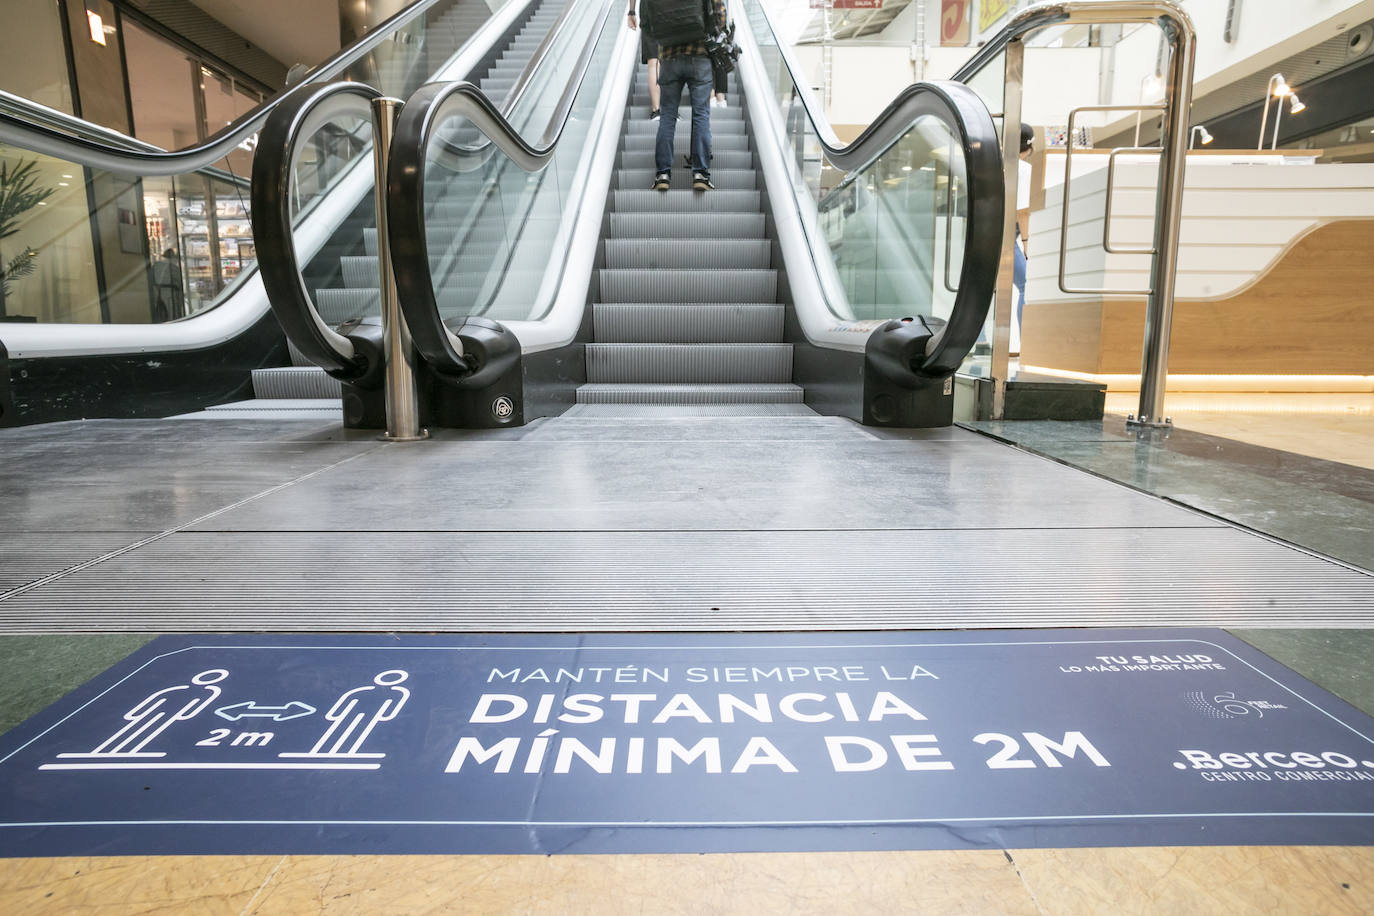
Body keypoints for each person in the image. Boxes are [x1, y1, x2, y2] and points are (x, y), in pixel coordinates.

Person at [648, 0, 727, 192]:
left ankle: (663, 175)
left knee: (667, 116)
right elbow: (720, 13)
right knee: (701, 115)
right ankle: (700, 174)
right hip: (699, 55)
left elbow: (650, 18)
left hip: (669, 57)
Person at [1013, 123, 1033, 351]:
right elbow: (1022, 211)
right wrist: (1026, 243)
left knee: (984, 290)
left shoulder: (993, 164)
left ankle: (979, 343)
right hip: (1006, 237)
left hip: (985, 233)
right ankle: (1026, 345)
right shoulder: (1022, 168)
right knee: (1026, 285)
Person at [626, 2, 661, 119]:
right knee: (666, 61)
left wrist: (631, 11)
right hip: (668, 10)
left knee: (653, 63)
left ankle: (656, 110)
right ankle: (666, 109)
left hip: (647, 10)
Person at [151, 248, 184, 323]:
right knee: (172, 315)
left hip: (158, 293)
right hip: (171, 294)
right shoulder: (174, 268)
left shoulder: (156, 265)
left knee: (162, 314)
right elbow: (179, 283)